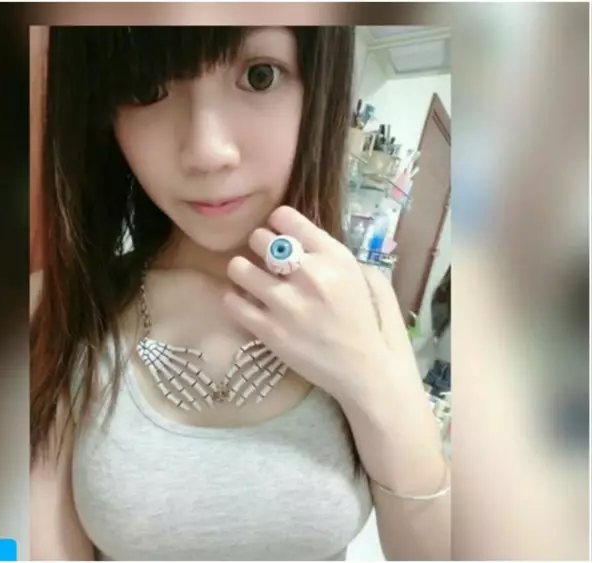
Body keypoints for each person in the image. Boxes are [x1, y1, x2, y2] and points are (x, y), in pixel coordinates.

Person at [30, 26, 450, 561]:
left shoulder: (365, 301)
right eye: (145, 87)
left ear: (317, 86)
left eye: (260, 76)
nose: (207, 152)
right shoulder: (61, 309)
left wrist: (369, 378)